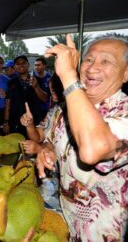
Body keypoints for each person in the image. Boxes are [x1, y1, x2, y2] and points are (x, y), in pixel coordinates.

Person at [37, 34, 128, 240]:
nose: (92, 67)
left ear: (126, 73)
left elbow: (92, 150)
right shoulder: (67, 108)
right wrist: (47, 150)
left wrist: (69, 76)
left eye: (106, 61)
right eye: (88, 59)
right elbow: (51, 141)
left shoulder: (125, 113)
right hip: (66, 224)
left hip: (101, 233)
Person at [3, 55, 48, 138]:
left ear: (28, 65)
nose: (21, 65)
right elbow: (8, 103)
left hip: (34, 122)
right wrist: (6, 122)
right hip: (15, 122)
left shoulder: (38, 80)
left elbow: (45, 99)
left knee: (33, 147)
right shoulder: (11, 82)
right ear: (15, 67)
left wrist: (36, 86)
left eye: (23, 63)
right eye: (18, 64)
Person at [20, 74, 64, 155]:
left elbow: (63, 148)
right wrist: (30, 125)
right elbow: (38, 137)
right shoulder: (55, 111)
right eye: (51, 90)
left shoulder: (76, 115)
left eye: (56, 90)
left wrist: (40, 149)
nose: (52, 94)